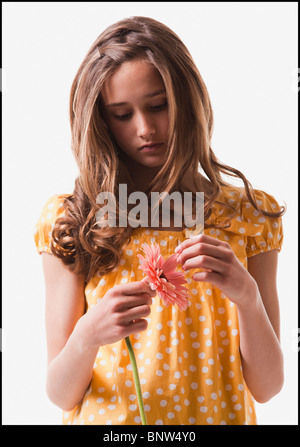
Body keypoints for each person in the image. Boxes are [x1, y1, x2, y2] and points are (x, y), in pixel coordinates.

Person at [34, 16, 286, 425]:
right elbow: (61, 394)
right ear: (100, 119)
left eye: (158, 105)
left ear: (188, 99)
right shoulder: (75, 220)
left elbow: (268, 386)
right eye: (121, 114)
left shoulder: (246, 217)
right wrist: (88, 334)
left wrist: (248, 297)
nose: (145, 129)